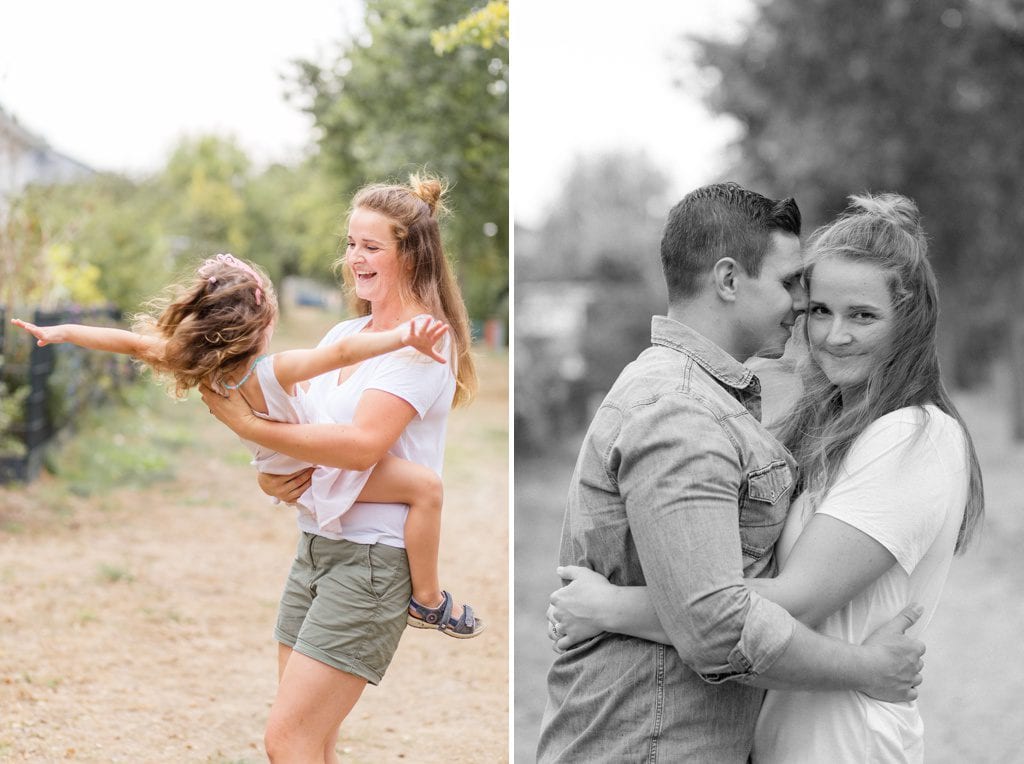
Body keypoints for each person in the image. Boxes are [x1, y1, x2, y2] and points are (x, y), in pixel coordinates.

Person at [545, 193, 984, 762]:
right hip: (780, 738)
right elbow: (723, 601)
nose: (833, 335)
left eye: (864, 315)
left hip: (842, 741)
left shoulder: (912, 436)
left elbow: (786, 602)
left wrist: (610, 608)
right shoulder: (822, 426)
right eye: (819, 309)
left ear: (910, 323)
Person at [10, 254, 481, 645]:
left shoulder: (202, 368)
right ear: (263, 326)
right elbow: (339, 355)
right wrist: (402, 337)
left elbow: (133, 344)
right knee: (425, 488)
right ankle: (427, 597)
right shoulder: (271, 372)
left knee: (418, 486)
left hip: (294, 471)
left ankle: (425, 597)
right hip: (323, 468)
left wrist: (66, 333)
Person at [199, 175, 479, 762]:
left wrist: (248, 428)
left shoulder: (424, 344)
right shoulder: (346, 334)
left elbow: (358, 447)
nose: (355, 258)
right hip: (315, 548)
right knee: (312, 738)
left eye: (372, 246)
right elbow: (302, 437)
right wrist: (272, 477)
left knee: (287, 739)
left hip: (374, 561)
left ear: (411, 254)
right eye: (352, 244)